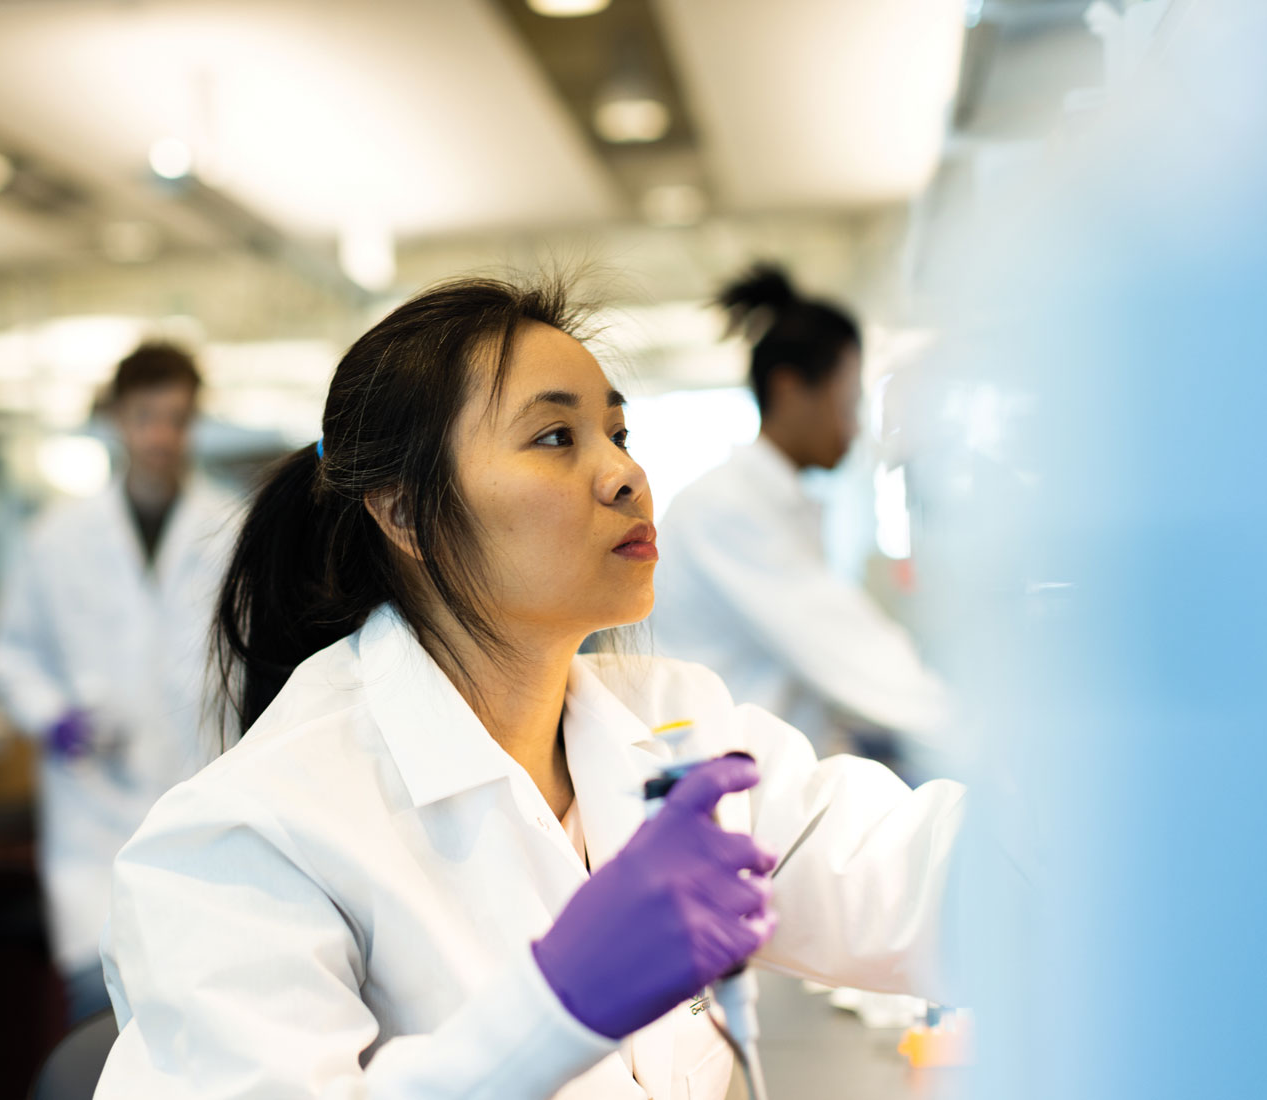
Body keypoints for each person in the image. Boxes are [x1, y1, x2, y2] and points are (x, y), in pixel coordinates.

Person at [93, 278, 964, 1099]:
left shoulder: (673, 722)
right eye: (556, 438)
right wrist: (553, 1010)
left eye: (618, 435)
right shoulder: (246, 840)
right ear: (403, 513)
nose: (626, 476)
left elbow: (919, 882)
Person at [0, 342, 238, 1023]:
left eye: (177, 418)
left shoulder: (233, 529)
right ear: (117, 419)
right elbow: (9, 654)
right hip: (94, 819)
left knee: (204, 1018)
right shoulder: (57, 538)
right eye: (146, 416)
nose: (160, 436)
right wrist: (51, 716)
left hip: (205, 806)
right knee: (101, 1017)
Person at [649, 264, 948, 758]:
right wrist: (975, 729)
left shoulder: (774, 501)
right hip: (723, 781)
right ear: (789, 391)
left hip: (771, 767)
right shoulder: (725, 508)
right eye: (848, 405)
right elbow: (848, 646)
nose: (854, 431)